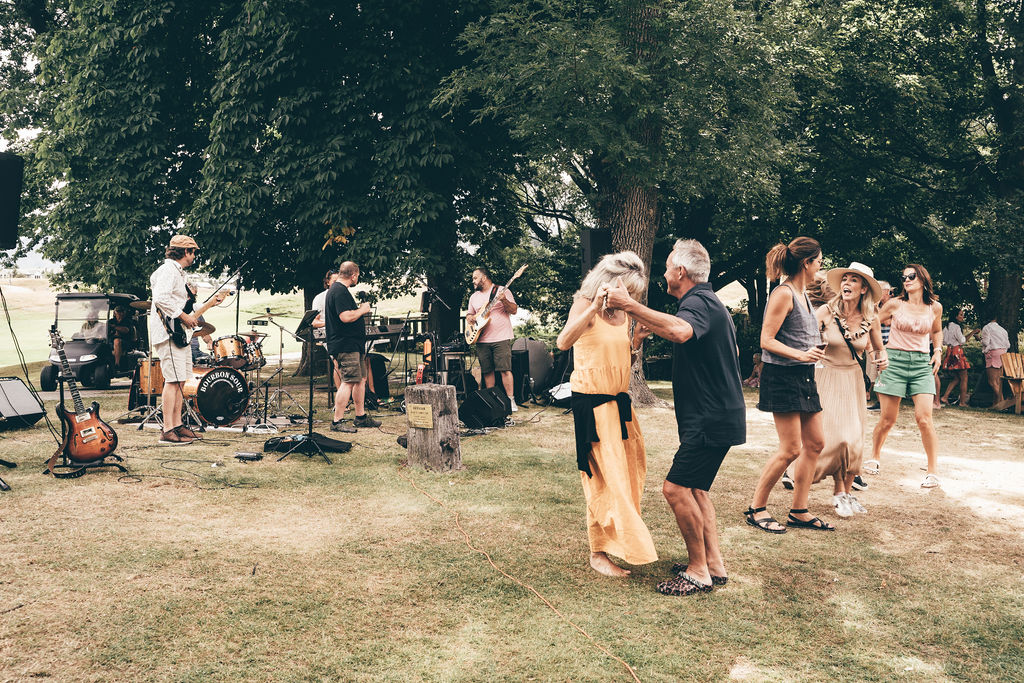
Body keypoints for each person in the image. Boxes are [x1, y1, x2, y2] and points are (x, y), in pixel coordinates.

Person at [605, 240, 746, 596]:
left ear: (680, 273)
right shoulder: (710, 304)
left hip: (710, 418)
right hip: (718, 415)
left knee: (675, 489)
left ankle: (698, 571)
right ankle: (713, 563)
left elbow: (681, 332)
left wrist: (630, 306)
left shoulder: (697, 302)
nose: (664, 274)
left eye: (668, 267)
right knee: (696, 489)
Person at [555, 251, 657, 578]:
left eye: (635, 294)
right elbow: (563, 342)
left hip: (618, 402)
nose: (630, 298)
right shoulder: (585, 305)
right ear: (609, 283)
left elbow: (617, 354)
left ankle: (617, 542)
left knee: (628, 474)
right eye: (627, 291)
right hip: (592, 405)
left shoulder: (623, 314)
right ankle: (598, 553)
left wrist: (636, 342)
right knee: (603, 477)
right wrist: (590, 308)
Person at [747, 237, 832, 533]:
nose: (821, 265)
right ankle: (756, 508)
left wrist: (811, 351)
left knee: (816, 443)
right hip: (782, 376)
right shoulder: (783, 293)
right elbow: (766, 341)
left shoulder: (804, 293)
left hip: (804, 376)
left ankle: (799, 510)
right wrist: (801, 354)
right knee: (790, 448)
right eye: (819, 260)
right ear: (806, 263)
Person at [812, 263, 887, 517]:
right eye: (845, 279)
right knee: (837, 438)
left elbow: (878, 349)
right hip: (827, 377)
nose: (847, 283)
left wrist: (882, 359)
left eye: (854, 280)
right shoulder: (825, 311)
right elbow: (804, 337)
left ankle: (845, 494)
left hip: (853, 380)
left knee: (854, 440)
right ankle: (835, 491)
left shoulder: (871, 317)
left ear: (864, 288)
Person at [868, 264, 943, 488]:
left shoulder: (935, 307)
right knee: (888, 419)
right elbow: (871, 324)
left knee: (924, 418)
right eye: (904, 277)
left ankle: (932, 471)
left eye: (911, 276)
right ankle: (874, 457)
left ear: (922, 279)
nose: (907, 280)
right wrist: (875, 351)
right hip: (894, 362)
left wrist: (938, 351)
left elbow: (937, 331)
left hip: (921, 364)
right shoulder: (894, 304)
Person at [149, 235, 226, 445]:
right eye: (193, 252)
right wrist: (183, 317)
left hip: (178, 333)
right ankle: (167, 429)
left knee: (181, 380)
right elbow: (161, 298)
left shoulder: (177, 273)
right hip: (168, 333)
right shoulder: (167, 271)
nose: (194, 256)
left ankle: (177, 425)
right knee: (172, 381)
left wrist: (211, 303)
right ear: (186, 252)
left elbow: (186, 310)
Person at [326, 261, 380, 432]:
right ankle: (337, 421)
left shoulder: (338, 290)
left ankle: (360, 416)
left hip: (353, 344)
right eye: (358, 275)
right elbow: (345, 317)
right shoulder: (339, 291)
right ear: (354, 275)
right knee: (348, 381)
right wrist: (363, 310)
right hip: (345, 345)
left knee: (360, 380)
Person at [467, 267, 519, 412]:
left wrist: (504, 301)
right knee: (487, 371)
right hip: (482, 339)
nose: (473, 281)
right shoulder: (474, 297)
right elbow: (469, 315)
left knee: (505, 370)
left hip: (501, 337)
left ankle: (511, 401)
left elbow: (514, 310)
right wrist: (470, 318)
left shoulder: (502, 291)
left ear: (484, 278)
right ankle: (492, 401)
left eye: (475, 278)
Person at [938, 308, 975, 406]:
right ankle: (962, 402)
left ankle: (945, 397)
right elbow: (962, 341)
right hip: (957, 352)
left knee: (956, 378)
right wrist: (972, 333)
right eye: (961, 315)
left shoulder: (946, 327)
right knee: (964, 377)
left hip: (950, 351)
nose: (963, 317)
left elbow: (943, 341)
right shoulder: (957, 327)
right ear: (956, 316)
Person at [980, 314, 1011, 408]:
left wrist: (980, 340)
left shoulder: (987, 328)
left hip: (993, 354)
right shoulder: (1003, 330)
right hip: (1003, 354)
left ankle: (1002, 402)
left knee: (992, 382)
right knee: (998, 381)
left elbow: (985, 342)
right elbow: (1008, 345)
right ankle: (995, 404)